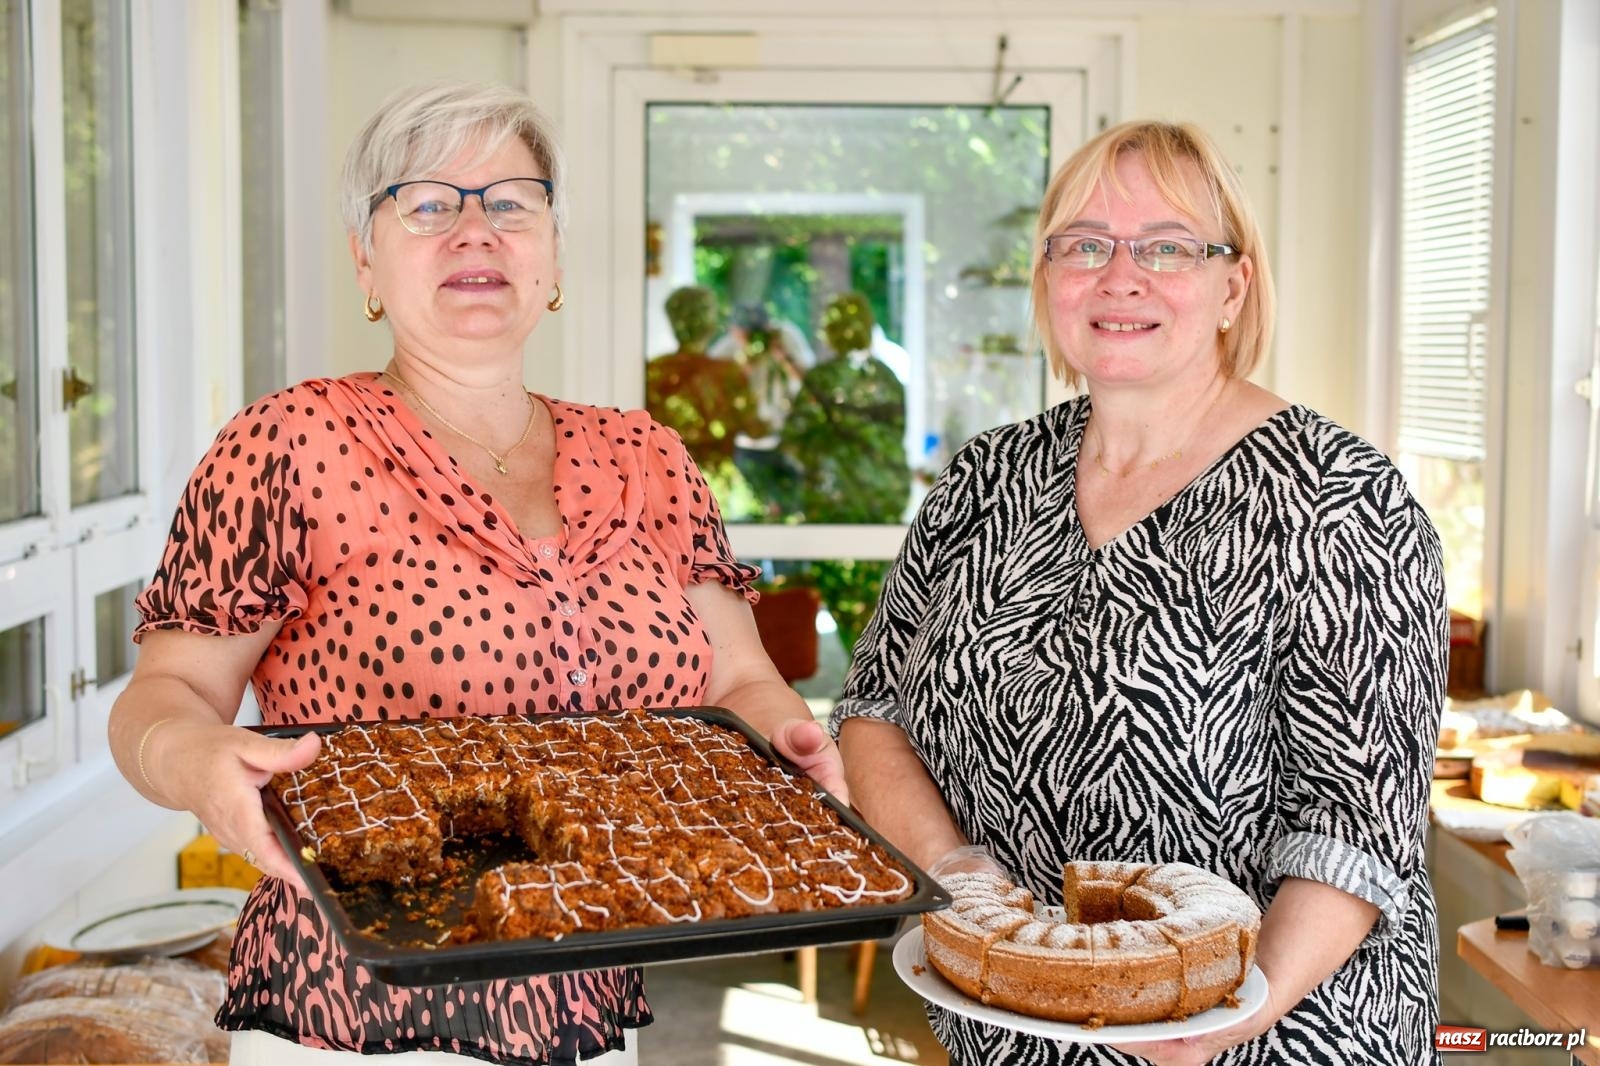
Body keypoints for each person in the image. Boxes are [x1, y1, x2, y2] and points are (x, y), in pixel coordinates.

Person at [106, 81, 845, 1066]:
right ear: (366, 259)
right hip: (362, 1019)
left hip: (588, 991)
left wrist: (783, 740)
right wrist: (196, 760)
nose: (474, 229)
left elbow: (739, 679)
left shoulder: (648, 457)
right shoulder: (290, 442)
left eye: (510, 201)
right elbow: (165, 694)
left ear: (553, 256)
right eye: (426, 203)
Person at [832, 119, 1447, 1066]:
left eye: (1167, 247)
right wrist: (963, 880)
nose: (1120, 277)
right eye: (1084, 245)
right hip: (1013, 1033)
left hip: (1273, 1038)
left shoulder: (1341, 499)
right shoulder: (985, 479)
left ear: (1233, 287)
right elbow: (873, 712)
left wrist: (1225, 1018)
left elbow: (1355, 830)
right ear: (1048, 279)